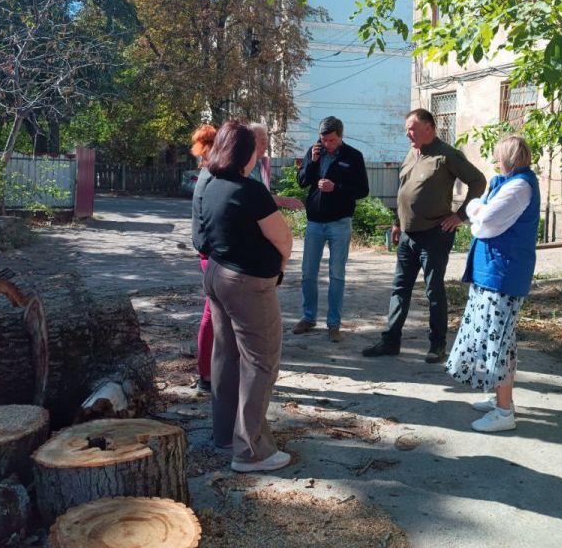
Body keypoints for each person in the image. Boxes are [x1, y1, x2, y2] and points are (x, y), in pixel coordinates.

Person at [198, 119, 293, 472]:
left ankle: (225, 434)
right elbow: (282, 238)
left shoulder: (210, 184)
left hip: (217, 275)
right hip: (246, 283)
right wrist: (279, 265)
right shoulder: (250, 189)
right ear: (245, 152)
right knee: (260, 361)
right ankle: (251, 451)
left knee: (226, 355)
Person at [362, 108, 486, 363]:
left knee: (434, 291)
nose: (407, 133)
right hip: (407, 236)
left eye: (412, 129)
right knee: (399, 289)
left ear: (428, 127)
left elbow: (478, 181)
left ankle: (437, 345)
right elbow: (404, 190)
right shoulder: (412, 153)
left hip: (434, 235)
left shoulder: (446, 155)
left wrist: (460, 215)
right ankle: (390, 341)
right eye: (407, 129)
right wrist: (397, 223)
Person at [445, 135, 540, 433]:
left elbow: (485, 222)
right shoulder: (508, 183)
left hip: (503, 274)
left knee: (498, 342)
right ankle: (501, 400)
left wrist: (476, 210)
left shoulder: (518, 187)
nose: (495, 160)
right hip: (494, 272)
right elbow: (482, 216)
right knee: (496, 339)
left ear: (509, 158)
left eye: (499, 155)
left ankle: (503, 412)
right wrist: (478, 211)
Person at [291, 116, 369, 342]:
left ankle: (334, 324)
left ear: (341, 136)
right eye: (324, 140)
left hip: (340, 223)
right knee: (308, 272)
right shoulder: (314, 151)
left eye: (332, 140)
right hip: (315, 222)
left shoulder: (353, 156)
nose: (327, 144)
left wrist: (336, 187)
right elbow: (302, 181)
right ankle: (308, 318)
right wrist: (312, 161)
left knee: (336, 274)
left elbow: (362, 190)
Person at [189, 124, 217, 394]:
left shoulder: (206, 173)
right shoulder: (212, 177)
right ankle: (206, 374)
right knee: (212, 313)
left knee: (213, 313)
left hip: (206, 251)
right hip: (212, 254)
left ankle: (208, 372)